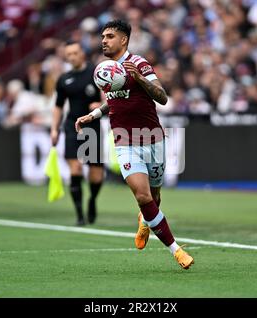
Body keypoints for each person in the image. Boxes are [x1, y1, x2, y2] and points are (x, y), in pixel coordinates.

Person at [75, 20, 194, 269]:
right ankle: (177, 250)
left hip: (152, 137)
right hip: (125, 140)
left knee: (154, 197)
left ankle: (145, 221)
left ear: (123, 40)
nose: (103, 40)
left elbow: (162, 97)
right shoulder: (106, 69)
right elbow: (114, 100)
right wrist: (94, 115)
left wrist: (139, 78)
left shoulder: (138, 63)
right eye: (102, 36)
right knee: (142, 195)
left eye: (109, 36)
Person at [51, 41, 104, 226]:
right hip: (73, 126)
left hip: (93, 127)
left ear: (82, 53)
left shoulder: (96, 72)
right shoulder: (64, 79)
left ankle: (92, 200)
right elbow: (58, 106)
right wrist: (54, 129)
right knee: (76, 169)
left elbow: (107, 96)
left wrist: (100, 106)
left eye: (75, 52)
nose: (72, 56)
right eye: (69, 54)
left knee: (96, 174)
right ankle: (80, 214)